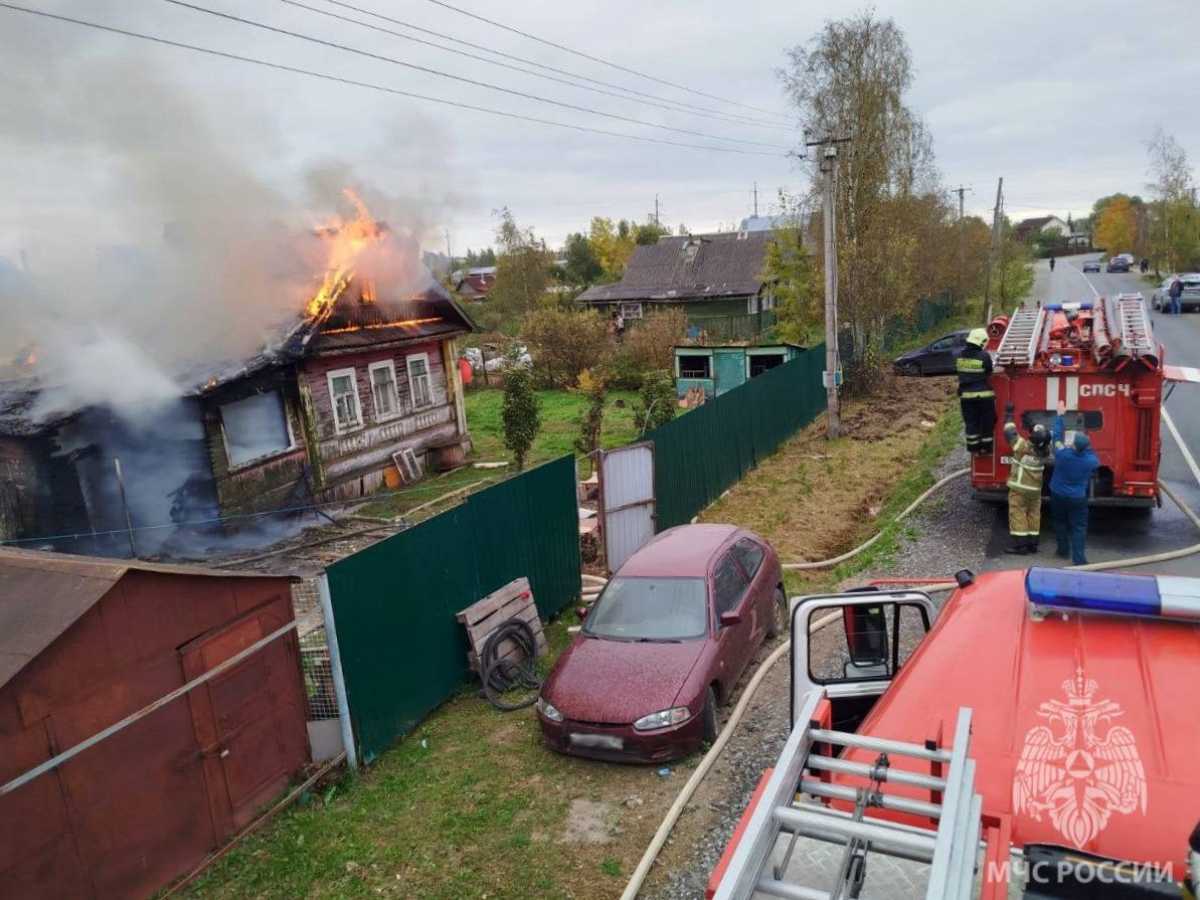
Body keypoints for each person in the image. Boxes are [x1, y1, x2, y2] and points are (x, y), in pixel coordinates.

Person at [1049, 401, 1100, 565]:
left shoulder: (1062, 454)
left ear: (1072, 444)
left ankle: (1062, 551)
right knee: (1078, 528)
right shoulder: (1090, 461)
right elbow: (1092, 455)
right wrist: (1086, 444)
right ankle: (1079, 560)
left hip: (1057, 494)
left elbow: (1056, 437)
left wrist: (1060, 416)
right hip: (1077, 498)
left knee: (1059, 523)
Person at [1002, 412, 1051, 554]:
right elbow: (1041, 439)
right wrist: (1033, 426)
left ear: (1032, 438)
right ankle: (1033, 545)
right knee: (1034, 515)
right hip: (1035, 491)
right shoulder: (1045, 452)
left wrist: (1009, 416)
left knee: (1018, 515)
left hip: (1019, 490)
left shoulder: (1022, 447)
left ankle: (1021, 546)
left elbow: (1009, 432)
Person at [956, 328, 995, 455]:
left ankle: (974, 450)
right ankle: (987, 448)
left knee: (971, 423)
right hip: (983, 396)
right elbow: (989, 371)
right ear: (981, 341)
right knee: (987, 422)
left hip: (966, 397)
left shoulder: (960, 356)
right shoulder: (984, 356)